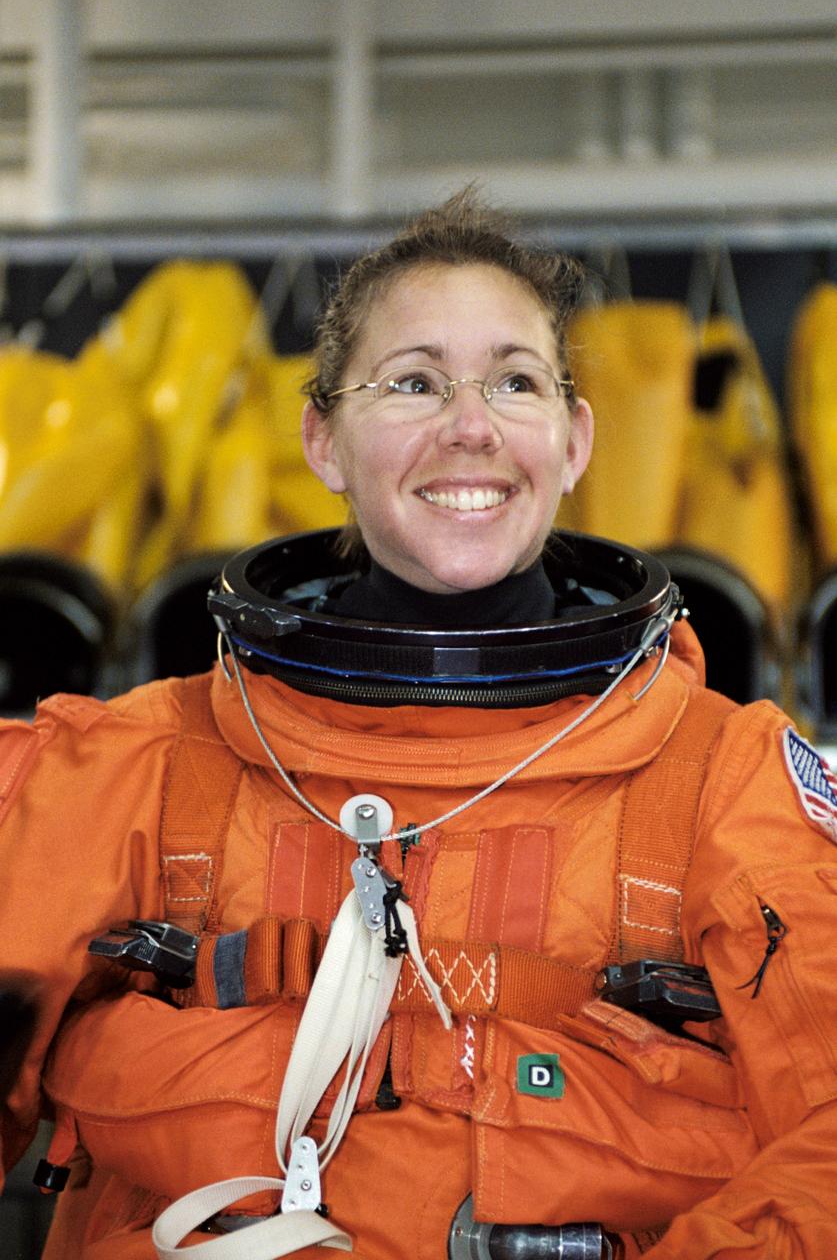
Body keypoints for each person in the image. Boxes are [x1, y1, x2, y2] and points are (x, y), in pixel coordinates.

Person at [1, 190, 837, 1260]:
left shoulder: (719, 781)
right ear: (323, 438)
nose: (471, 425)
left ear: (575, 440)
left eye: (515, 381)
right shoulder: (143, 767)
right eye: (413, 382)